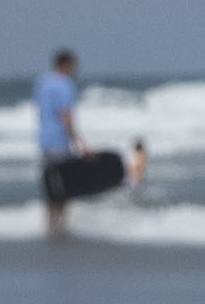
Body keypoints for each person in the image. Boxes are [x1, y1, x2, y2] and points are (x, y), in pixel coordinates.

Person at [30, 49, 146, 235]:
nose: (75, 70)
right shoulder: (64, 84)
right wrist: (81, 145)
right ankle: (59, 228)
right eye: (74, 66)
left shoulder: (43, 83)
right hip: (59, 143)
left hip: (44, 142)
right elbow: (66, 116)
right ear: (65, 64)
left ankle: (51, 227)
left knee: (51, 186)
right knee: (63, 187)